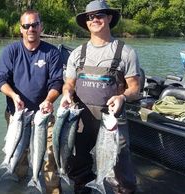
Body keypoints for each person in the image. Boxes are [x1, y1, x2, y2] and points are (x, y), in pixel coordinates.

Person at [60, 1, 140, 193]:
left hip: (113, 122)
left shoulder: (126, 52)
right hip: (81, 121)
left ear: (109, 18)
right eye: (90, 17)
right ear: (86, 22)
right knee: (80, 171)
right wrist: (66, 93)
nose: (94, 19)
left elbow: (135, 89)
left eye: (99, 15)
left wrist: (123, 98)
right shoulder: (77, 54)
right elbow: (69, 84)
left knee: (122, 174)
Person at [0, 9, 64, 193]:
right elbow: (0, 79)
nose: (31, 29)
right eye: (26, 26)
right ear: (21, 29)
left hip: (44, 116)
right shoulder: (11, 51)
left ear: (41, 26)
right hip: (17, 115)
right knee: (19, 157)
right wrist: (13, 95)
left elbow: (57, 82)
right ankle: (20, 185)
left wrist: (49, 100)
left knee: (49, 157)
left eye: (34, 24)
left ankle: (53, 190)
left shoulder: (52, 53)